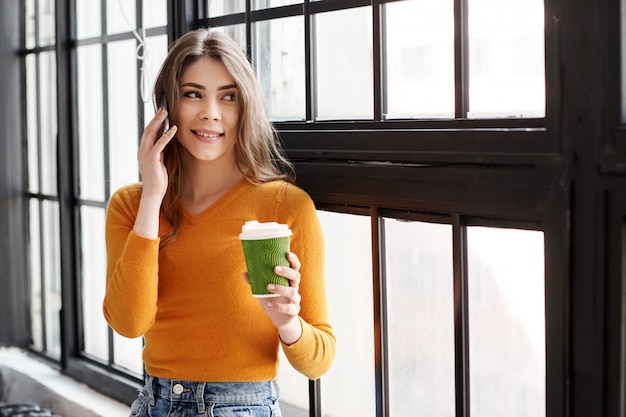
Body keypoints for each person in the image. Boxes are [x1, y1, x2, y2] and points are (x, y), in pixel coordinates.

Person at [103, 28, 335, 417]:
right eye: (193, 94)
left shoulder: (286, 206)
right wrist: (152, 197)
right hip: (154, 404)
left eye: (228, 96)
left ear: (245, 107)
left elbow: (320, 360)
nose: (211, 111)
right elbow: (129, 323)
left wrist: (288, 322)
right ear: (168, 105)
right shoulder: (130, 205)